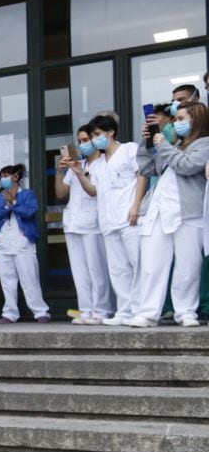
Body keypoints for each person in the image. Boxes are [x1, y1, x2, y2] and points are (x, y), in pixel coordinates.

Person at [130, 102, 209, 327]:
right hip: (159, 209)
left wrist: (163, 145)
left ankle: (185, 312)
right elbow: (148, 169)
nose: (176, 123)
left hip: (188, 212)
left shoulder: (205, 144)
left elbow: (187, 165)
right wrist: (146, 144)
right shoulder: (173, 144)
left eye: (182, 119)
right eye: (176, 119)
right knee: (152, 262)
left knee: (188, 265)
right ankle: (147, 312)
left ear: (197, 120)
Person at [90, 114, 147, 326]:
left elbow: (142, 174)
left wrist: (136, 205)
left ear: (111, 132)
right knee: (118, 269)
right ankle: (125, 311)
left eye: (97, 134)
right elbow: (94, 191)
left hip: (129, 217)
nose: (95, 139)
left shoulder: (129, 150)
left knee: (137, 264)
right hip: (108, 221)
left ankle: (142, 310)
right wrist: (78, 173)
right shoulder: (98, 164)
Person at [57, 125, 114, 324]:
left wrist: (80, 174)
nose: (83, 144)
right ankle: (86, 309)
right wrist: (60, 171)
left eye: (86, 140)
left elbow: (93, 192)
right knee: (80, 271)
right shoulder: (76, 165)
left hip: (93, 224)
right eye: (80, 141)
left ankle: (102, 309)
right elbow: (60, 193)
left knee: (96, 269)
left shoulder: (104, 164)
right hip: (73, 223)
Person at [0, 164, 50, 323]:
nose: (3, 179)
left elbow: (30, 212)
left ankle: (40, 311)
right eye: (1, 176)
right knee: (7, 281)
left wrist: (14, 202)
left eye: (7, 175)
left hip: (23, 243)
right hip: (2, 244)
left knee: (29, 278)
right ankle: (10, 313)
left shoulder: (27, 195)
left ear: (16, 177)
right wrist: (7, 206)